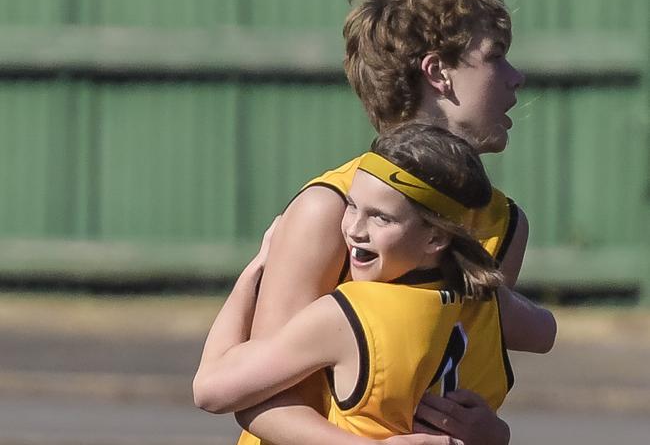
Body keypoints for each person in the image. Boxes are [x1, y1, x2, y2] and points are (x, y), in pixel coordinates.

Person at [222, 0, 536, 444]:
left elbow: (444, 385)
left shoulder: (504, 224)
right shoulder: (331, 209)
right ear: (438, 72)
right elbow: (255, 399)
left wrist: (492, 434)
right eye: (496, 56)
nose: (516, 77)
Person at [194, 125, 555, 444]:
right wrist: (497, 434)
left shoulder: (352, 314)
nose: (354, 229)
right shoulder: (486, 298)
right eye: (351, 206)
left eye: (380, 217)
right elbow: (545, 331)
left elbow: (211, 390)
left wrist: (255, 271)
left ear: (435, 239)